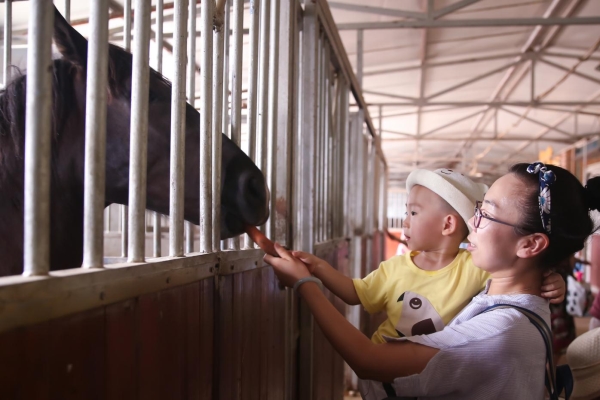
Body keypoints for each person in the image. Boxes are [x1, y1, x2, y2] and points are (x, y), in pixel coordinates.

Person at [265, 162, 600, 399]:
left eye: (487, 213)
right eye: (478, 208)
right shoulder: (508, 294)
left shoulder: (499, 333)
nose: (472, 221)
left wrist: (304, 284)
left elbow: (367, 362)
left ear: (530, 245)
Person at [292, 168, 565, 343]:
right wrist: (318, 267)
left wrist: (550, 280)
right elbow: (356, 292)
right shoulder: (394, 268)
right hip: (383, 368)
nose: (405, 221)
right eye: (405, 212)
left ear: (448, 225)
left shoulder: (475, 267)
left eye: (413, 212)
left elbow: (516, 272)